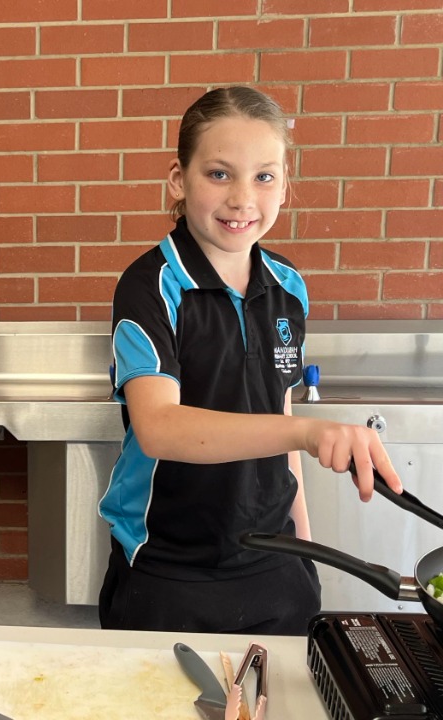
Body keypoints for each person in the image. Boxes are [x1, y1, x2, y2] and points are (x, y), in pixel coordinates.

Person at [99, 86, 402, 635]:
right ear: (178, 179)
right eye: (219, 174)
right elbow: (160, 429)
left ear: (285, 186)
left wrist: (305, 550)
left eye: (264, 176)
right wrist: (310, 434)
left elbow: (280, 416)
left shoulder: (288, 286)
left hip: (275, 561)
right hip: (168, 568)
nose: (243, 198)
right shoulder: (149, 287)